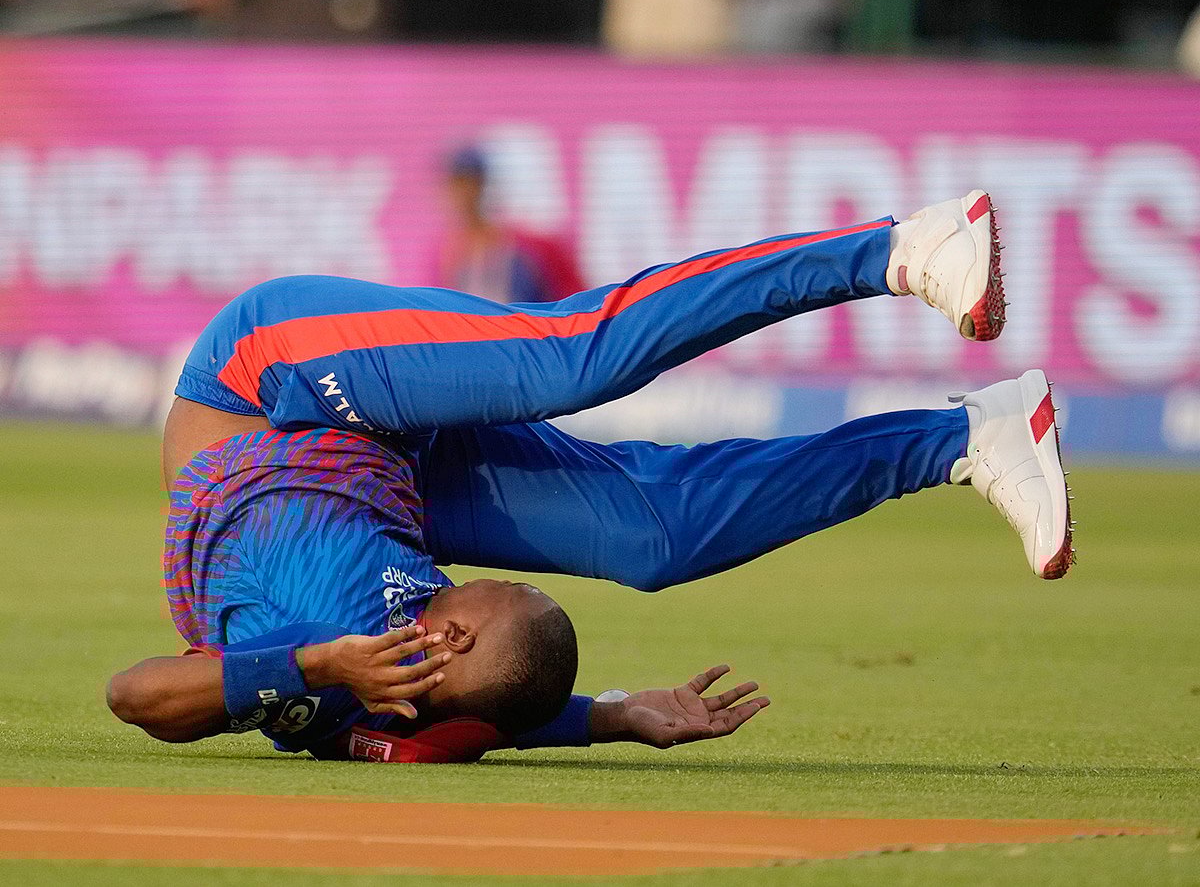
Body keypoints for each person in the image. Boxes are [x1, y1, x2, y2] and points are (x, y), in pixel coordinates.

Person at [108, 190, 1072, 762]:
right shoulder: (412, 712)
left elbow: (138, 694)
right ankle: (966, 439)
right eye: (515, 587)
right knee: (653, 542)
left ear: (452, 632)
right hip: (385, 471)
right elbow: (475, 720)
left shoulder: (339, 679)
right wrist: (611, 717)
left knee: (571, 361)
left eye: (510, 595)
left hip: (263, 390)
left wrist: (318, 662)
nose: (497, 579)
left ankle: (903, 248)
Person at [426, 145, 584, 304]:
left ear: (481, 184)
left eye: (468, 183)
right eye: (455, 185)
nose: (462, 193)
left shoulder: (534, 250)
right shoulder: (443, 257)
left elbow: (578, 303)